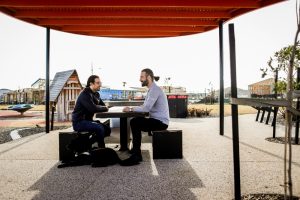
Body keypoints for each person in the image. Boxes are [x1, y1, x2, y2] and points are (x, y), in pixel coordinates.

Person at [123, 68, 169, 161]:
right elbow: (145, 106)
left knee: (134, 122)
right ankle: (135, 150)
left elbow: (146, 108)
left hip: (161, 123)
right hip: (157, 120)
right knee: (135, 120)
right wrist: (135, 109)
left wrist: (131, 109)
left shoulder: (155, 90)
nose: (140, 79)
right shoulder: (151, 90)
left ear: (148, 77)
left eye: (141, 77)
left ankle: (136, 155)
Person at [72, 75, 109, 148]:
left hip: (88, 121)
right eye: (98, 83)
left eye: (100, 82)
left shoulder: (96, 94)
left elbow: (103, 105)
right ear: (91, 84)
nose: (100, 85)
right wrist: (103, 107)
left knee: (107, 129)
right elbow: (93, 109)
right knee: (99, 128)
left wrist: (103, 107)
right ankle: (101, 149)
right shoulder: (85, 94)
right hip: (79, 122)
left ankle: (87, 143)